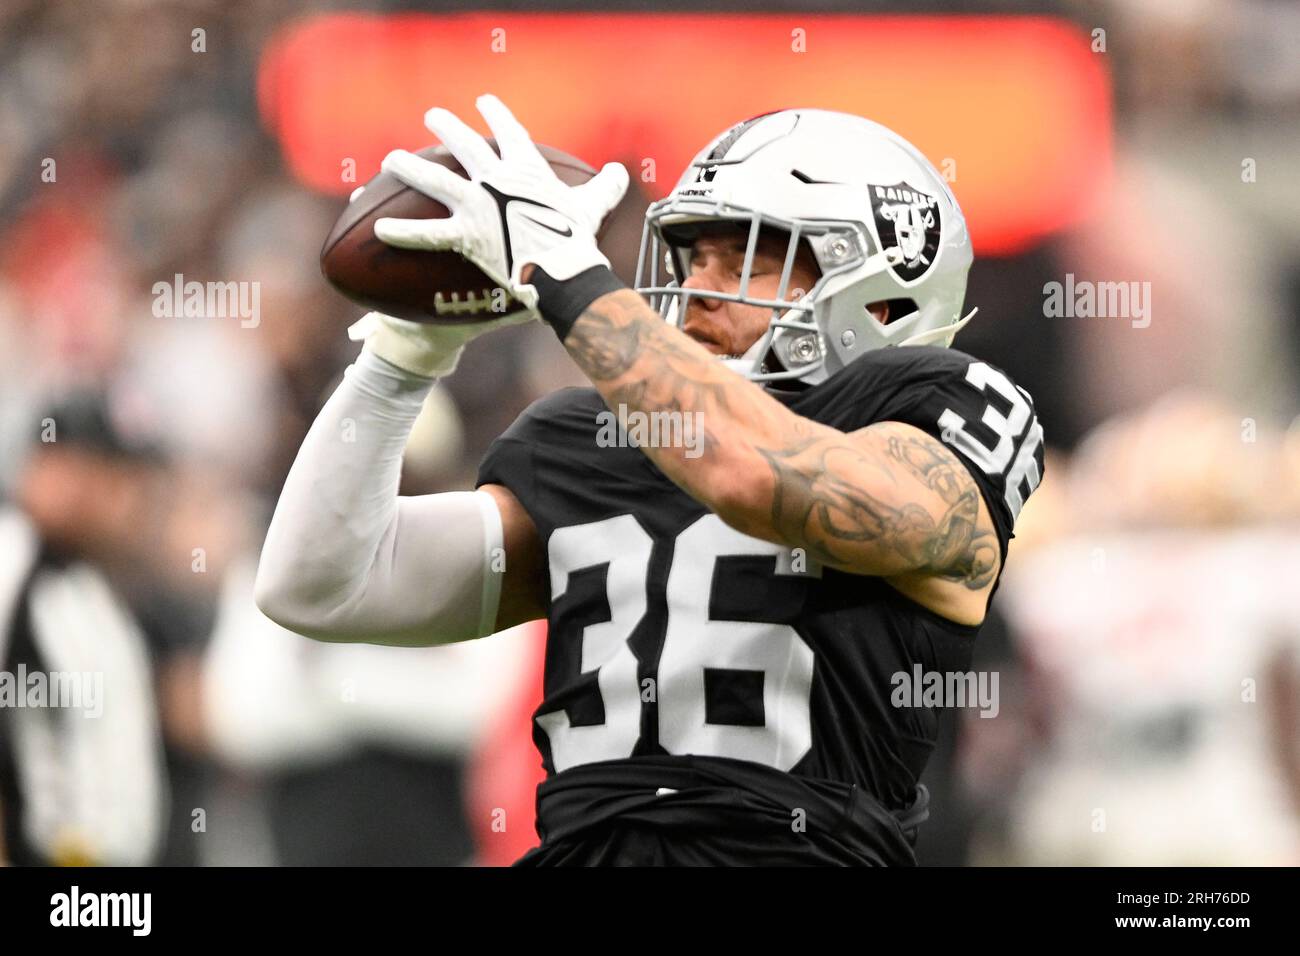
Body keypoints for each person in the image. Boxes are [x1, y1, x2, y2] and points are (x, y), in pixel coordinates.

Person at [256, 95, 1045, 865]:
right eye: (694, 254)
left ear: (880, 287)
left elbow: (765, 479)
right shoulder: (593, 436)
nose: (701, 285)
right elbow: (324, 585)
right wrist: (401, 359)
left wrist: (567, 275)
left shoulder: (934, 410)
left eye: (744, 256)